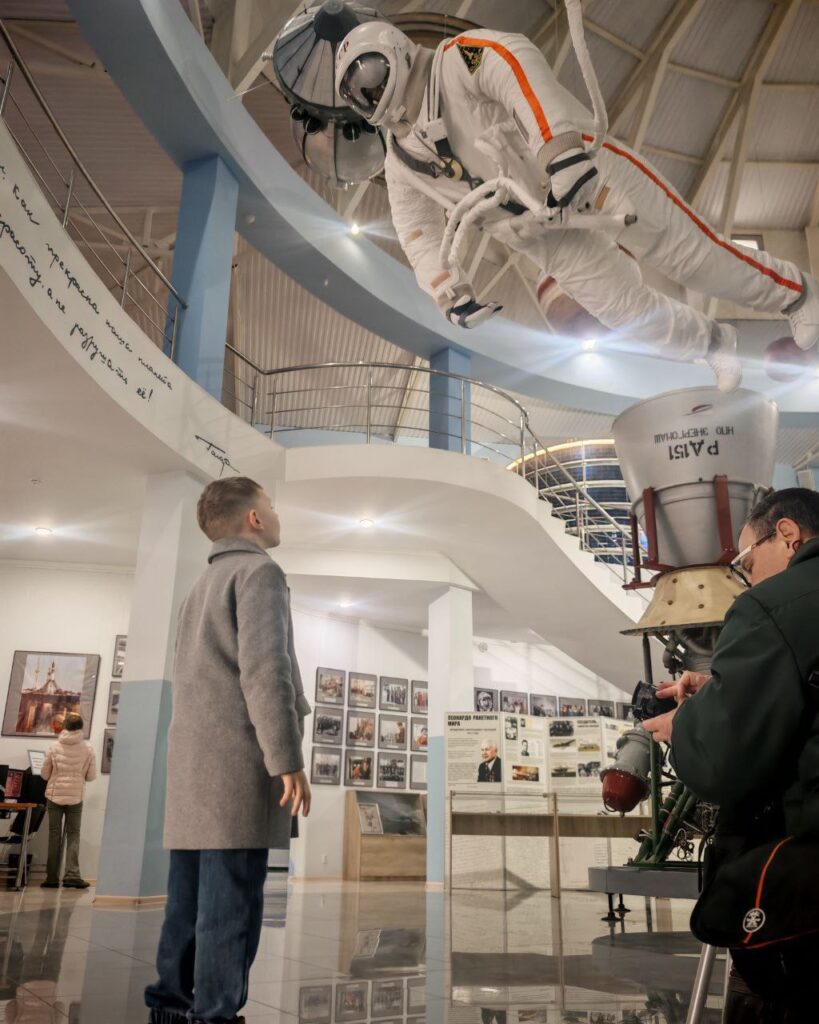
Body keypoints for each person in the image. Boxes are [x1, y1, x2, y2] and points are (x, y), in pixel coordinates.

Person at [335, 22, 819, 393]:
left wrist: (560, 152)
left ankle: (797, 295)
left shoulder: (458, 58)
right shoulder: (400, 160)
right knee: (625, 314)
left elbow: (515, 67)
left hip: (588, 174)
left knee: (690, 257)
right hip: (536, 231)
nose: (371, 93)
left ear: (396, 50)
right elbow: (415, 231)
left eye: (370, 75)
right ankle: (712, 343)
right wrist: (447, 289)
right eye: (359, 92)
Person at [643, 488, 819, 1021]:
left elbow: (723, 762)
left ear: (787, 534)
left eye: (746, 560)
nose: (746, 577)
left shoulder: (775, 605)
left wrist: (683, 725)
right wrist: (721, 691)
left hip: (801, 893)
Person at [145, 477, 312, 1024]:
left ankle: (170, 1006)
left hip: (193, 766)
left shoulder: (202, 584)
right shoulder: (260, 573)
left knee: (186, 902)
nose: (277, 514)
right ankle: (215, 1014)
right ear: (254, 518)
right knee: (231, 905)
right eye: (271, 506)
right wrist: (287, 760)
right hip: (237, 765)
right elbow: (266, 673)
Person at [39, 712, 96, 890]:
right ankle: (72, 876)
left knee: (54, 835)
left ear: (65, 726)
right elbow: (91, 776)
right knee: (73, 835)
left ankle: (51, 878)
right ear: (81, 728)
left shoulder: (54, 747)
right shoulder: (88, 749)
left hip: (54, 796)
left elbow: (44, 774)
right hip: (75, 797)